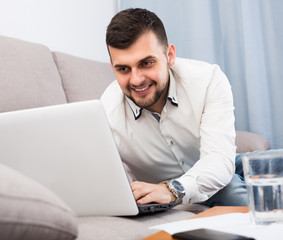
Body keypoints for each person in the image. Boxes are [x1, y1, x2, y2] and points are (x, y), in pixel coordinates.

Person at [101, 8, 247, 207]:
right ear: (112, 66)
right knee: (232, 194)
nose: (136, 80)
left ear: (169, 55)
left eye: (146, 63)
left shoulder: (208, 80)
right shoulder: (106, 113)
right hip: (192, 187)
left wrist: (172, 189)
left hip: (218, 163)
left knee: (273, 162)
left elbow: (219, 159)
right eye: (123, 69)